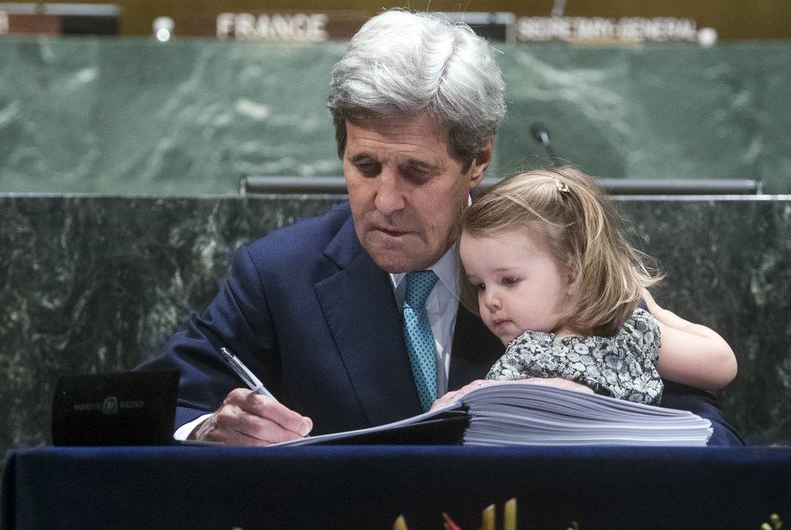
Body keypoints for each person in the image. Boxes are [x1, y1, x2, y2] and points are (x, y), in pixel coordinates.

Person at [137, 9, 745, 447]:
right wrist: (209, 430)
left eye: (417, 172)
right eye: (365, 166)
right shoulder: (278, 275)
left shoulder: (555, 262)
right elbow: (154, 405)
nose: (386, 200)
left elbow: (702, 422)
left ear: (477, 159)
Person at [434, 167, 737, 407]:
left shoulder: (628, 332)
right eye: (480, 286)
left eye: (508, 281)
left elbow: (720, 365)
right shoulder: (521, 355)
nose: (490, 300)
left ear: (571, 274)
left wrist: (656, 312)